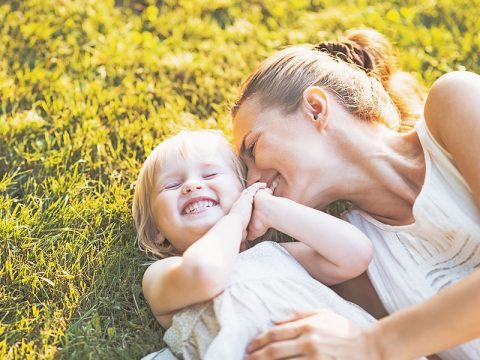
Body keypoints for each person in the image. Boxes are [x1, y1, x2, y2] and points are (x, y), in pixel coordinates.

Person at [231, 28, 480, 360]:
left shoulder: (456, 102)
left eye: (253, 147)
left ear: (316, 108)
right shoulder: (352, 267)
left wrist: (372, 343)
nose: (252, 181)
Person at [132, 130, 380, 359]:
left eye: (210, 174)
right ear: (157, 232)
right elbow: (205, 273)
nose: (191, 186)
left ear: (243, 190)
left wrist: (270, 208)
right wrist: (236, 219)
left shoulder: (276, 255)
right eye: (172, 185)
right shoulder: (165, 272)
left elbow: (356, 254)